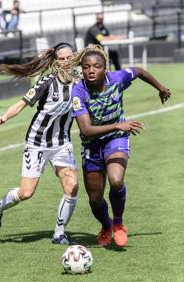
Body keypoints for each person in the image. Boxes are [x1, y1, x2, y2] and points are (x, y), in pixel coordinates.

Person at [70, 45, 171, 247]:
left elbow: (139, 71)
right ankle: (106, 225)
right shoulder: (78, 91)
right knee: (95, 198)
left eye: (96, 66)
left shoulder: (116, 79)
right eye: (87, 66)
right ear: (81, 69)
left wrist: (160, 87)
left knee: (116, 180)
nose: (91, 70)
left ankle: (118, 224)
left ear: (104, 68)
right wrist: (118, 123)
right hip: (92, 145)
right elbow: (86, 130)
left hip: (117, 138)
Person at [0, 42, 79, 245]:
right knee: (26, 193)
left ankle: (59, 234)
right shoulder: (47, 82)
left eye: (69, 58)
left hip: (62, 144)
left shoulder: (80, 82)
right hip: (37, 143)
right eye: (62, 59)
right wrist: (5, 116)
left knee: (72, 187)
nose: (66, 62)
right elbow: (22, 103)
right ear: (55, 62)